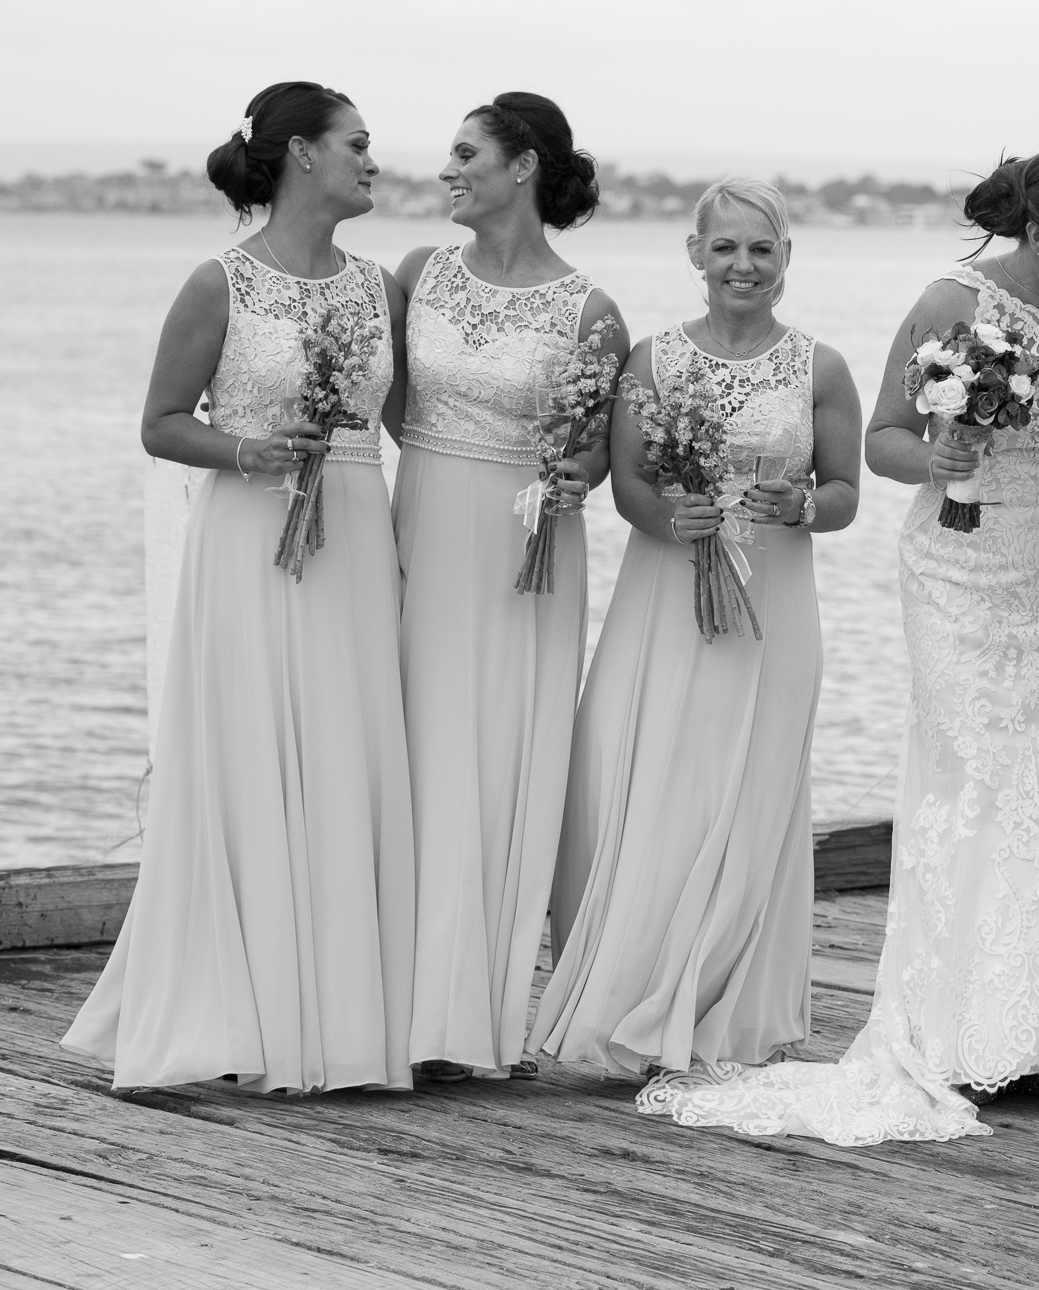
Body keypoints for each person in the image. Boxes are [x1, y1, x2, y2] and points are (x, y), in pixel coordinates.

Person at [637, 143, 1039, 1144]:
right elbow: (881, 442)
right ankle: (954, 1035)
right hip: (961, 575)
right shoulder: (947, 304)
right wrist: (945, 449)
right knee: (967, 789)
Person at [62, 82, 415, 1093]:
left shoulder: (376, 285)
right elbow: (163, 421)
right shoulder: (218, 282)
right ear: (300, 154)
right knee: (249, 752)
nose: (371, 159)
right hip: (246, 535)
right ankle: (239, 1008)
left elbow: (412, 427)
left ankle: (340, 1017)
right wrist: (253, 449)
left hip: (349, 527)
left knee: (345, 753)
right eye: (357, 143)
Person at [528, 177, 861, 1079]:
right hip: (667, 597)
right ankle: (626, 987)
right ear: (695, 256)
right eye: (725, 248)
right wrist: (675, 523)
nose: (743, 266)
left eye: (761, 249)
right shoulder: (651, 360)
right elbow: (630, 482)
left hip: (775, 606)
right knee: (653, 775)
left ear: (787, 258)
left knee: (749, 789)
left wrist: (802, 502)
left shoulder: (821, 369)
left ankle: (721, 1000)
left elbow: (845, 496)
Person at [392, 93, 627, 1084]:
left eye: (465, 153)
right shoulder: (414, 275)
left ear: (521, 165)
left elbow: (594, 454)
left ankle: (473, 1013)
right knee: (408, 749)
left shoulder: (590, 311)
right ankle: (394, 1002)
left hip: (525, 553)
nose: (447, 171)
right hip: (421, 528)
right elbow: (393, 411)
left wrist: (577, 479)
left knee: (497, 759)